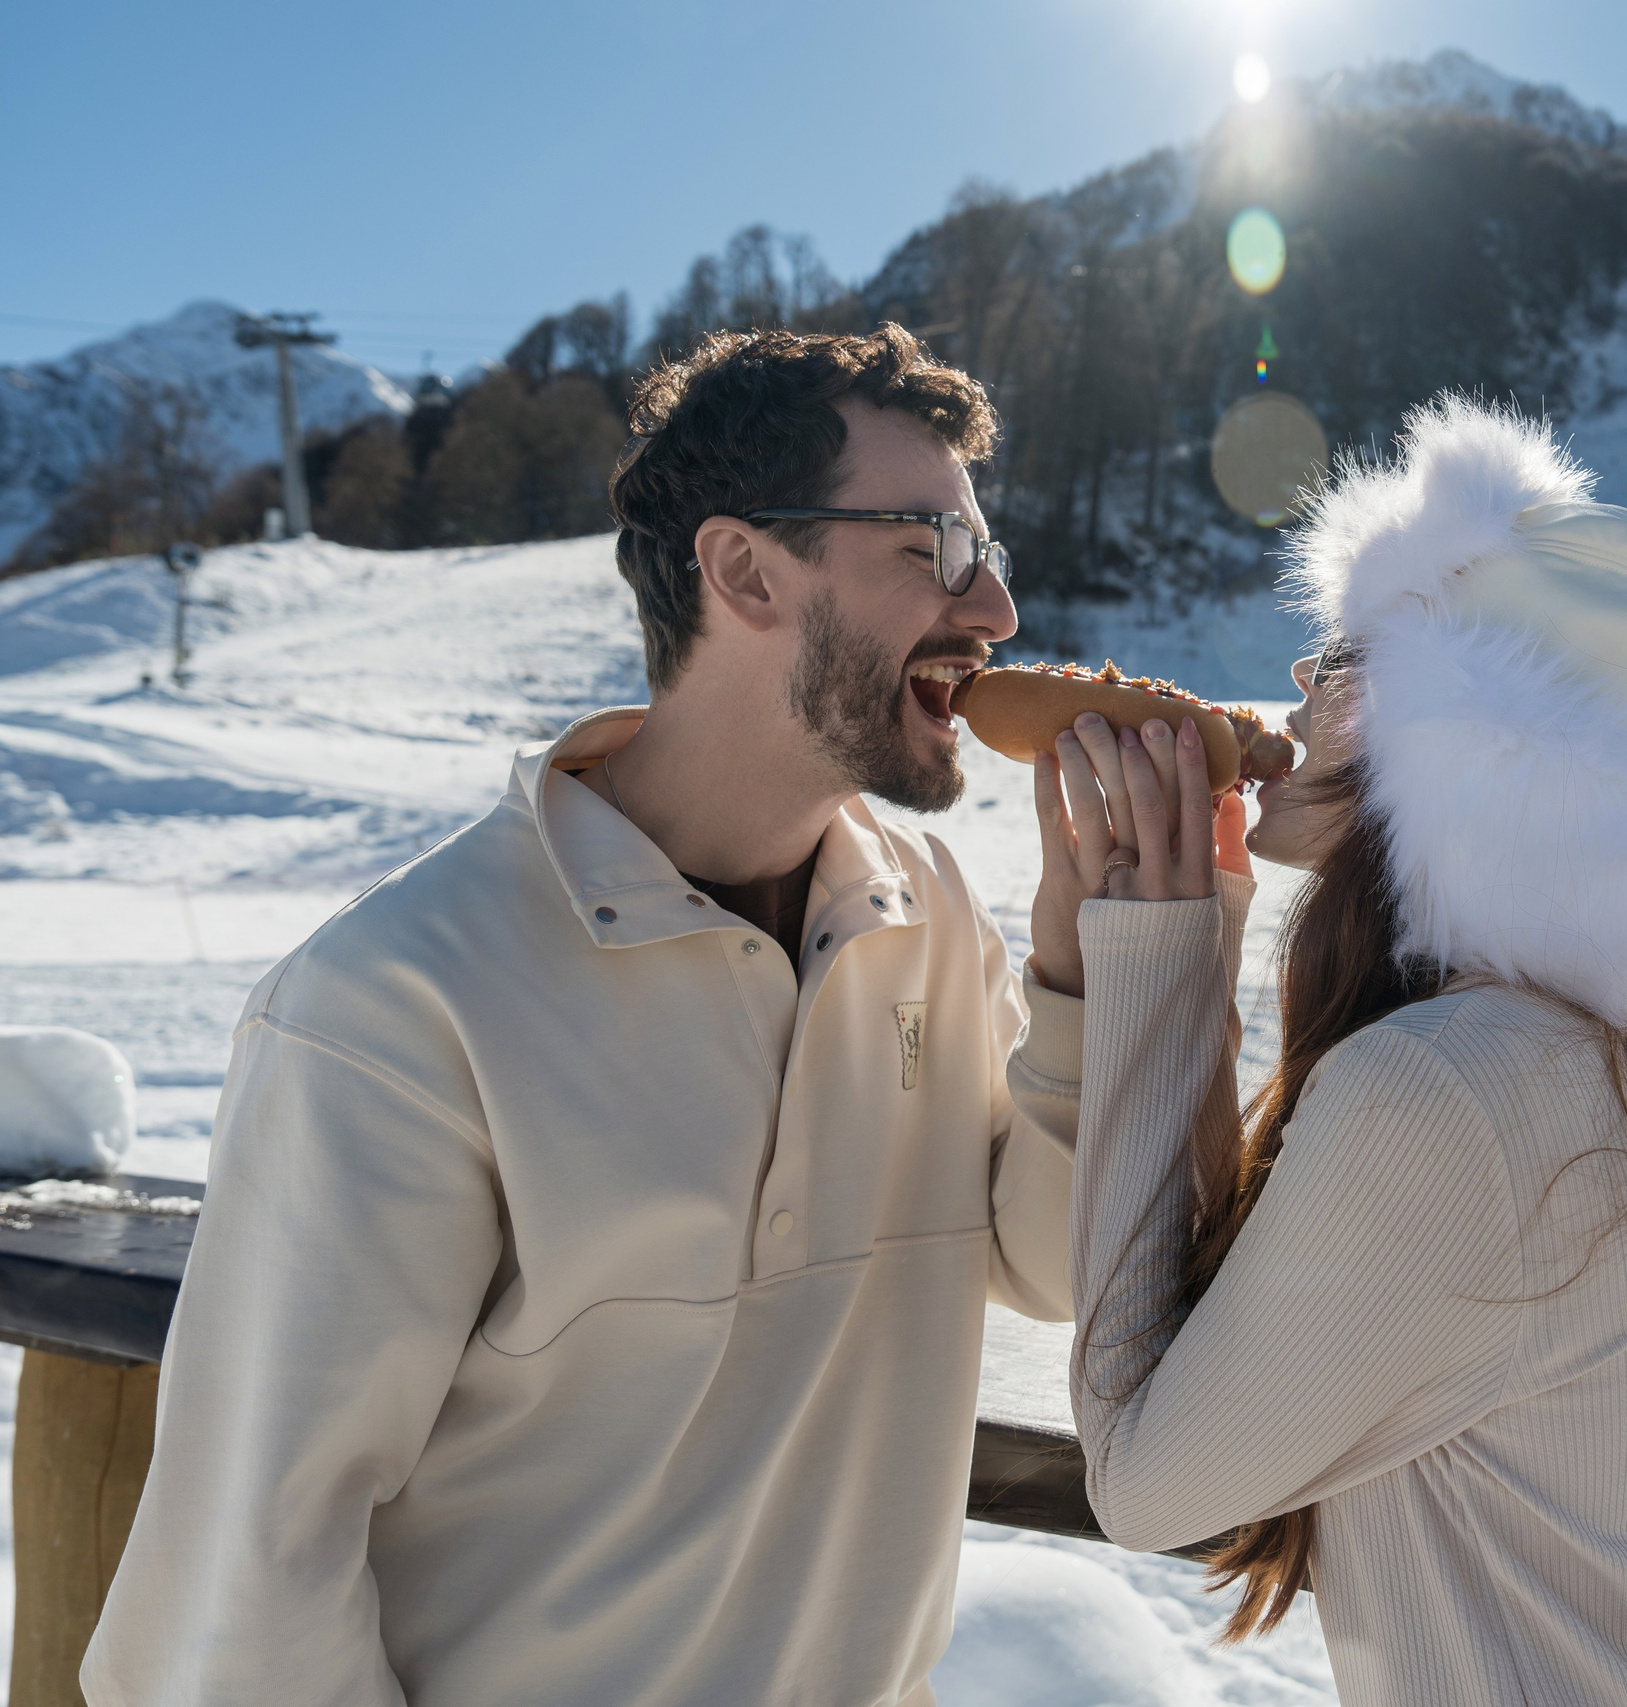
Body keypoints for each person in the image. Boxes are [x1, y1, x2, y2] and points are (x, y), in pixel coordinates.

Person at [86, 326, 1104, 1707]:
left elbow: (1048, 1263)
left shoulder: (924, 914)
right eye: (932, 547)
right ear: (743, 571)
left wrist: (1086, 977)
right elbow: (239, 1603)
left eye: (987, 552)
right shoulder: (397, 1004)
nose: (996, 614)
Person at [1041, 397, 1627, 1705]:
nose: (1299, 682)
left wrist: (1154, 938)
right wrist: (1197, 915)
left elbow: (1141, 1473)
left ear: (1480, 749)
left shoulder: (1449, 1090)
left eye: (1354, 661)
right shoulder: (1566, 1046)